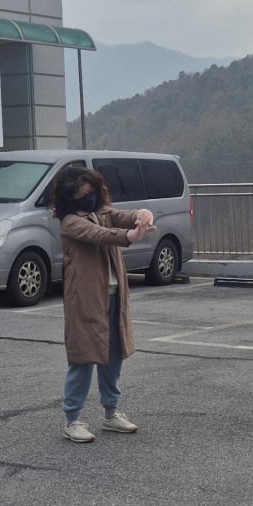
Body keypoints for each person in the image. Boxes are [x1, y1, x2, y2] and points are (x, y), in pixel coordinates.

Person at [52, 163, 155, 443]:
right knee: (83, 357)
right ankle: (72, 420)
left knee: (113, 356)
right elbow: (99, 235)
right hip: (84, 299)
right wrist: (130, 236)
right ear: (70, 197)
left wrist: (142, 215)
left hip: (112, 294)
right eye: (83, 194)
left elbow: (123, 216)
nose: (90, 198)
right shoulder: (70, 222)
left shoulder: (102, 211)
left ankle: (111, 412)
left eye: (92, 192)